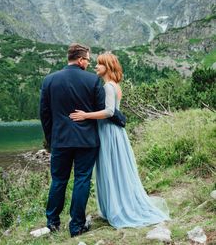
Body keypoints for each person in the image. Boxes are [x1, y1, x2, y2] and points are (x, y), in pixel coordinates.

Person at [70, 53, 170, 228]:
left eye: (99, 64)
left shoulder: (108, 86)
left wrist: (85, 115)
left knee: (111, 168)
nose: (96, 67)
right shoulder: (115, 85)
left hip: (108, 131)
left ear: (107, 67)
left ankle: (117, 208)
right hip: (114, 131)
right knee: (117, 169)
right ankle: (117, 205)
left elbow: (109, 112)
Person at [40, 43, 105, 237]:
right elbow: (100, 110)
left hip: (60, 140)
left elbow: (44, 114)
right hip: (86, 141)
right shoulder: (93, 80)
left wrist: (51, 139)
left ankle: (52, 223)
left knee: (58, 180)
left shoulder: (49, 80)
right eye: (87, 60)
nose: (88, 63)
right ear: (80, 59)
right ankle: (76, 226)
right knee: (82, 180)